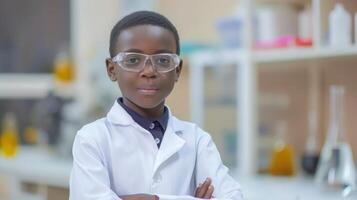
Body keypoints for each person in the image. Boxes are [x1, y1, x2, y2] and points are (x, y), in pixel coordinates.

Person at [69, 10, 243, 200]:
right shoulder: (92, 139)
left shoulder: (197, 139)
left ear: (177, 70)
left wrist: (153, 199)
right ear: (112, 70)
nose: (149, 71)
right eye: (133, 60)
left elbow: (233, 197)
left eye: (162, 60)